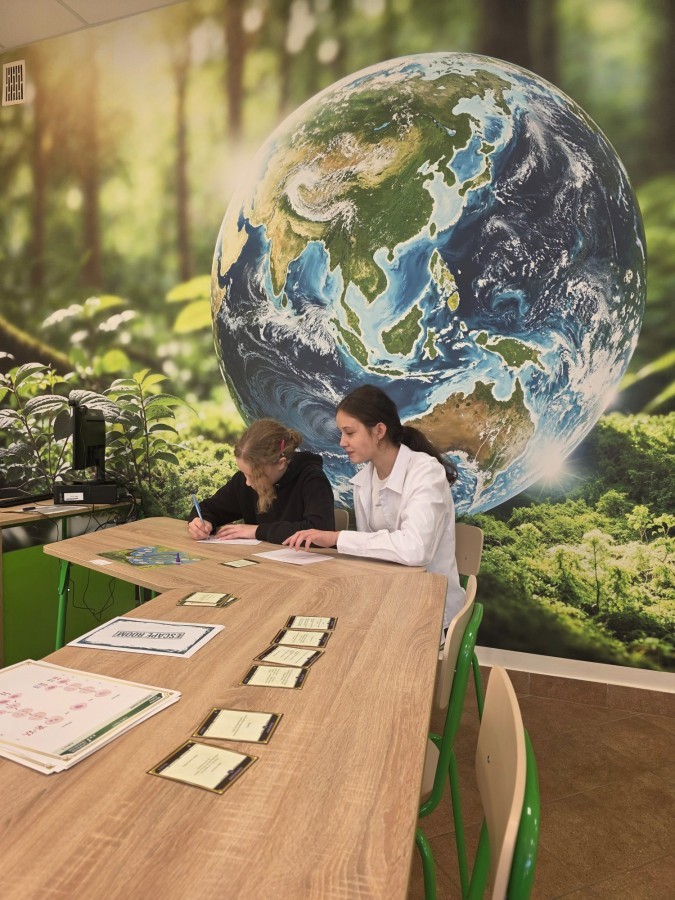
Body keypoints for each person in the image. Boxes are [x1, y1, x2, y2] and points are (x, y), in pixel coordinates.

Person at [284, 386, 464, 629]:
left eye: (349, 433)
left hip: (429, 611)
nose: (342, 442)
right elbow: (371, 554)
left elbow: (416, 550)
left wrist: (337, 538)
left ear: (379, 430)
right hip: (388, 598)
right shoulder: (364, 481)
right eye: (341, 433)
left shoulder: (426, 471)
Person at [187, 418, 335, 545]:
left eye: (255, 476)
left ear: (281, 463)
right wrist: (200, 522)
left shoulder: (312, 479)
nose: (247, 483)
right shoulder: (246, 480)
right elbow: (209, 508)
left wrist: (257, 531)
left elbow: (321, 531)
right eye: (244, 474)